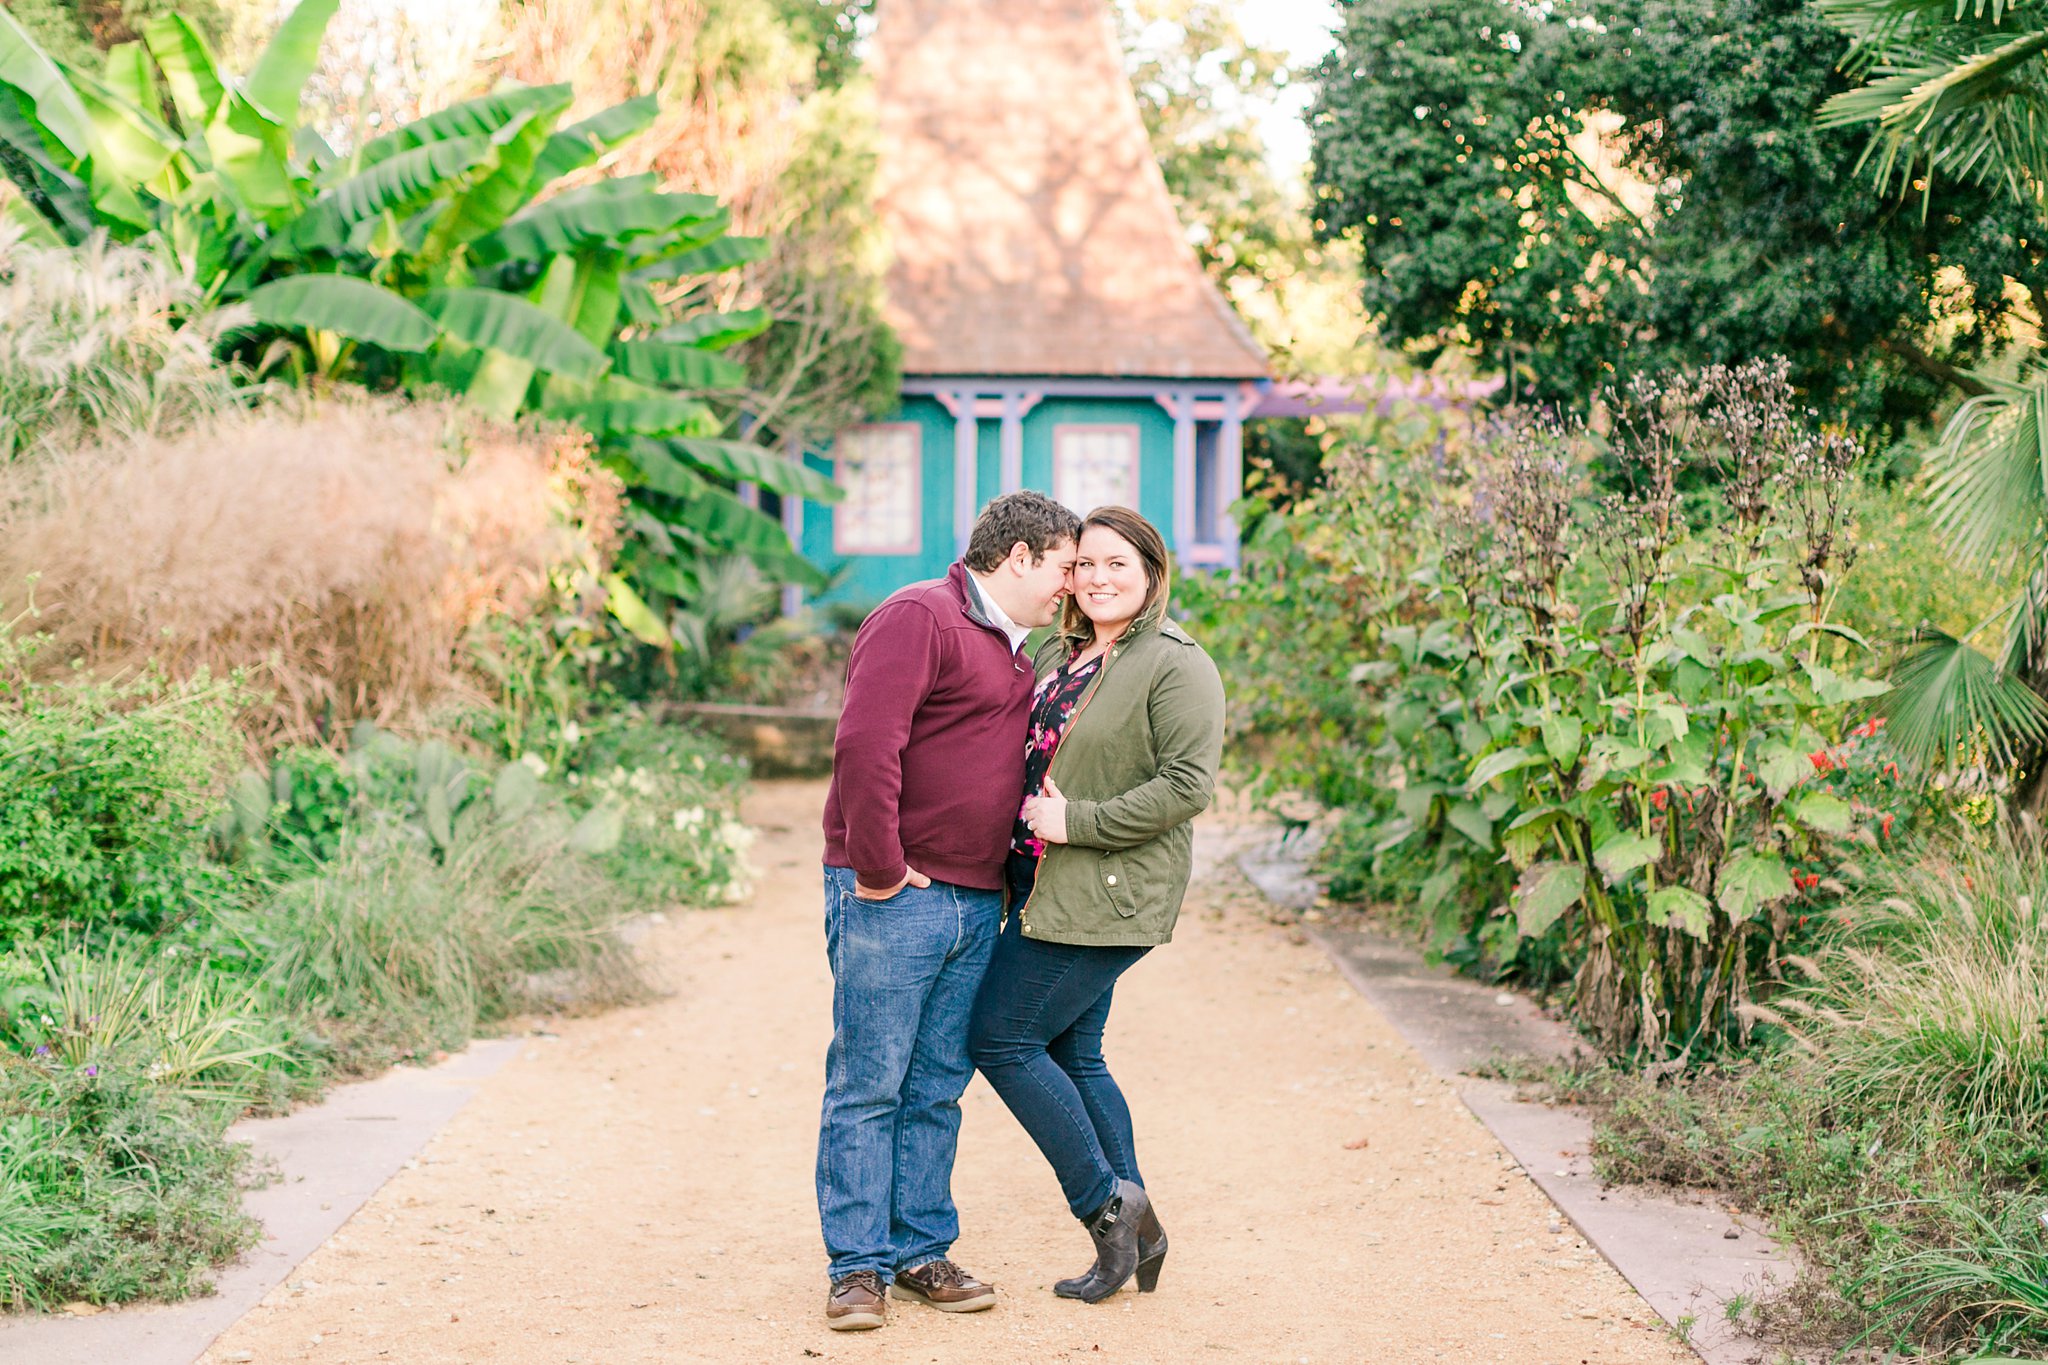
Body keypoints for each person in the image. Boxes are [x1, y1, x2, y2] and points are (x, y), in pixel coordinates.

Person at [816, 491, 1081, 1331]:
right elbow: (865, 743)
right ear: (1019, 557)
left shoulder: (1018, 649)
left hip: (976, 900)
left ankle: (920, 1249)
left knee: (936, 1086)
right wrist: (881, 868)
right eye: (1065, 568)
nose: (1069, 588)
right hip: (897, 895)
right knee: (870, 1082)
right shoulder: (918, 616)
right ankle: (857, 1266)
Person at [968, 505, 1225, 1303]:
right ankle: (1138, 1238)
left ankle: (1107, 1206)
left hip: (1108, 893)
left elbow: (1188, 786)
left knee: (1001, 1037)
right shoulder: (1065, 650)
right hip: (1048, 885)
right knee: (1077, 1055)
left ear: (1151, 572)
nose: (1099, 578)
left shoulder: (1177, 663)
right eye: (1085, 564)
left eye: (1119, 564)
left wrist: (1076, 821)